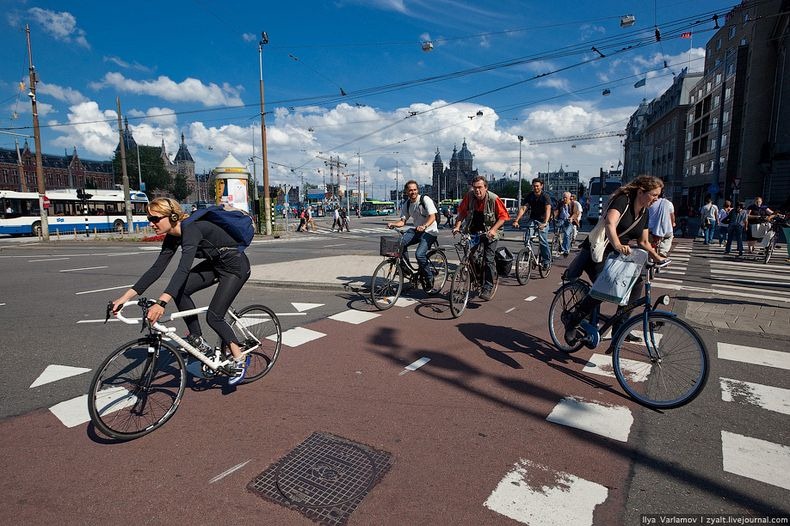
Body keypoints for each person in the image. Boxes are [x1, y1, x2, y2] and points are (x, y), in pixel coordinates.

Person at [110, 198, 252, 385]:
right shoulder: (172, 236)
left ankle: (239, 356)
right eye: (149, 219)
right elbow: (156, 269)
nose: (151, 223)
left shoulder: (191, 229)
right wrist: (123, 298)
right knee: (180, 290)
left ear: (173, 216)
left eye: (155, 219)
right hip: (215, 264)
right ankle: (198, 339)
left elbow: (183, 269)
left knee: (214, 316)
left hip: (235, 267)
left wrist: (161, 302)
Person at [563, 175, 666, 345]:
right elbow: (610, 223)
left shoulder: (645, 212)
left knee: (636, 283)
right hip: (599, 250)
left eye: (658, 195)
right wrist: (617, 244)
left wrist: (657, 257)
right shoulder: (623, 201)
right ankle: (573, 321)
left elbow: (643, 242)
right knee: (606, 286)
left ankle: (620, 327)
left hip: (618, 255)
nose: (657, 199)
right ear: (641, 192)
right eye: (654, 195)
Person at [452, 175, 510, 301]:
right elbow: (462, 212)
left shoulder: (493, 199)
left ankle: (487, 287)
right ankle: (474, 275)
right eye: (475, 188)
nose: (477, 190)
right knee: (468, 253)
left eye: (480, 187)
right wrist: (457, 226)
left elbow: (503, 216)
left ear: (486, 187)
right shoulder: (469, 196)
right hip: (473, 230)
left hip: (491, 231)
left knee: (488, 259)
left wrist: (493, 230)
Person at [387, 180, 439, 291]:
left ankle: (429, 277)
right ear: (406, 191)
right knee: (400, 242)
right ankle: (405, 268)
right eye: (410, 190)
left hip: (430, 231)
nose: (413, 192)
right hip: (417, 230)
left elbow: (432, 217)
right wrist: (393, 224)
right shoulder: (407, 204)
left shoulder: (425, 199)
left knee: (419, 254)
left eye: (415, 189)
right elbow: (402, 221)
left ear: (417, 190)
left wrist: (424, 226)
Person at [513, 178, 552, 269]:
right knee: (527, 238)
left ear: (541, 186)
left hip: (542, 221)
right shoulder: (530, 196)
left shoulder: (545, 196)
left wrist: (545, 222)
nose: (535, 188)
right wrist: (516, 220)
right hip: (533, 219)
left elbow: (548, 209)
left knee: (542, 240)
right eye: (534, 186)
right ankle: (529, 255)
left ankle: (546, 260)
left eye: (537, 186)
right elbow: (524, 208)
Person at [554, 192, 575, 257]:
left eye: (566, 197)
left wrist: (571, 218)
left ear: (569, 198)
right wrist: (553, 216)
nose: (564, 199)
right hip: (561, 219)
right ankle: (559, 243)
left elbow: (576, 213)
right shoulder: (560, 204)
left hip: (569, 221)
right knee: (557, 232)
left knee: (566, 234)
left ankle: (566, 250)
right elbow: (556, 211)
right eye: (563, 197)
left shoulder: (573, 204)